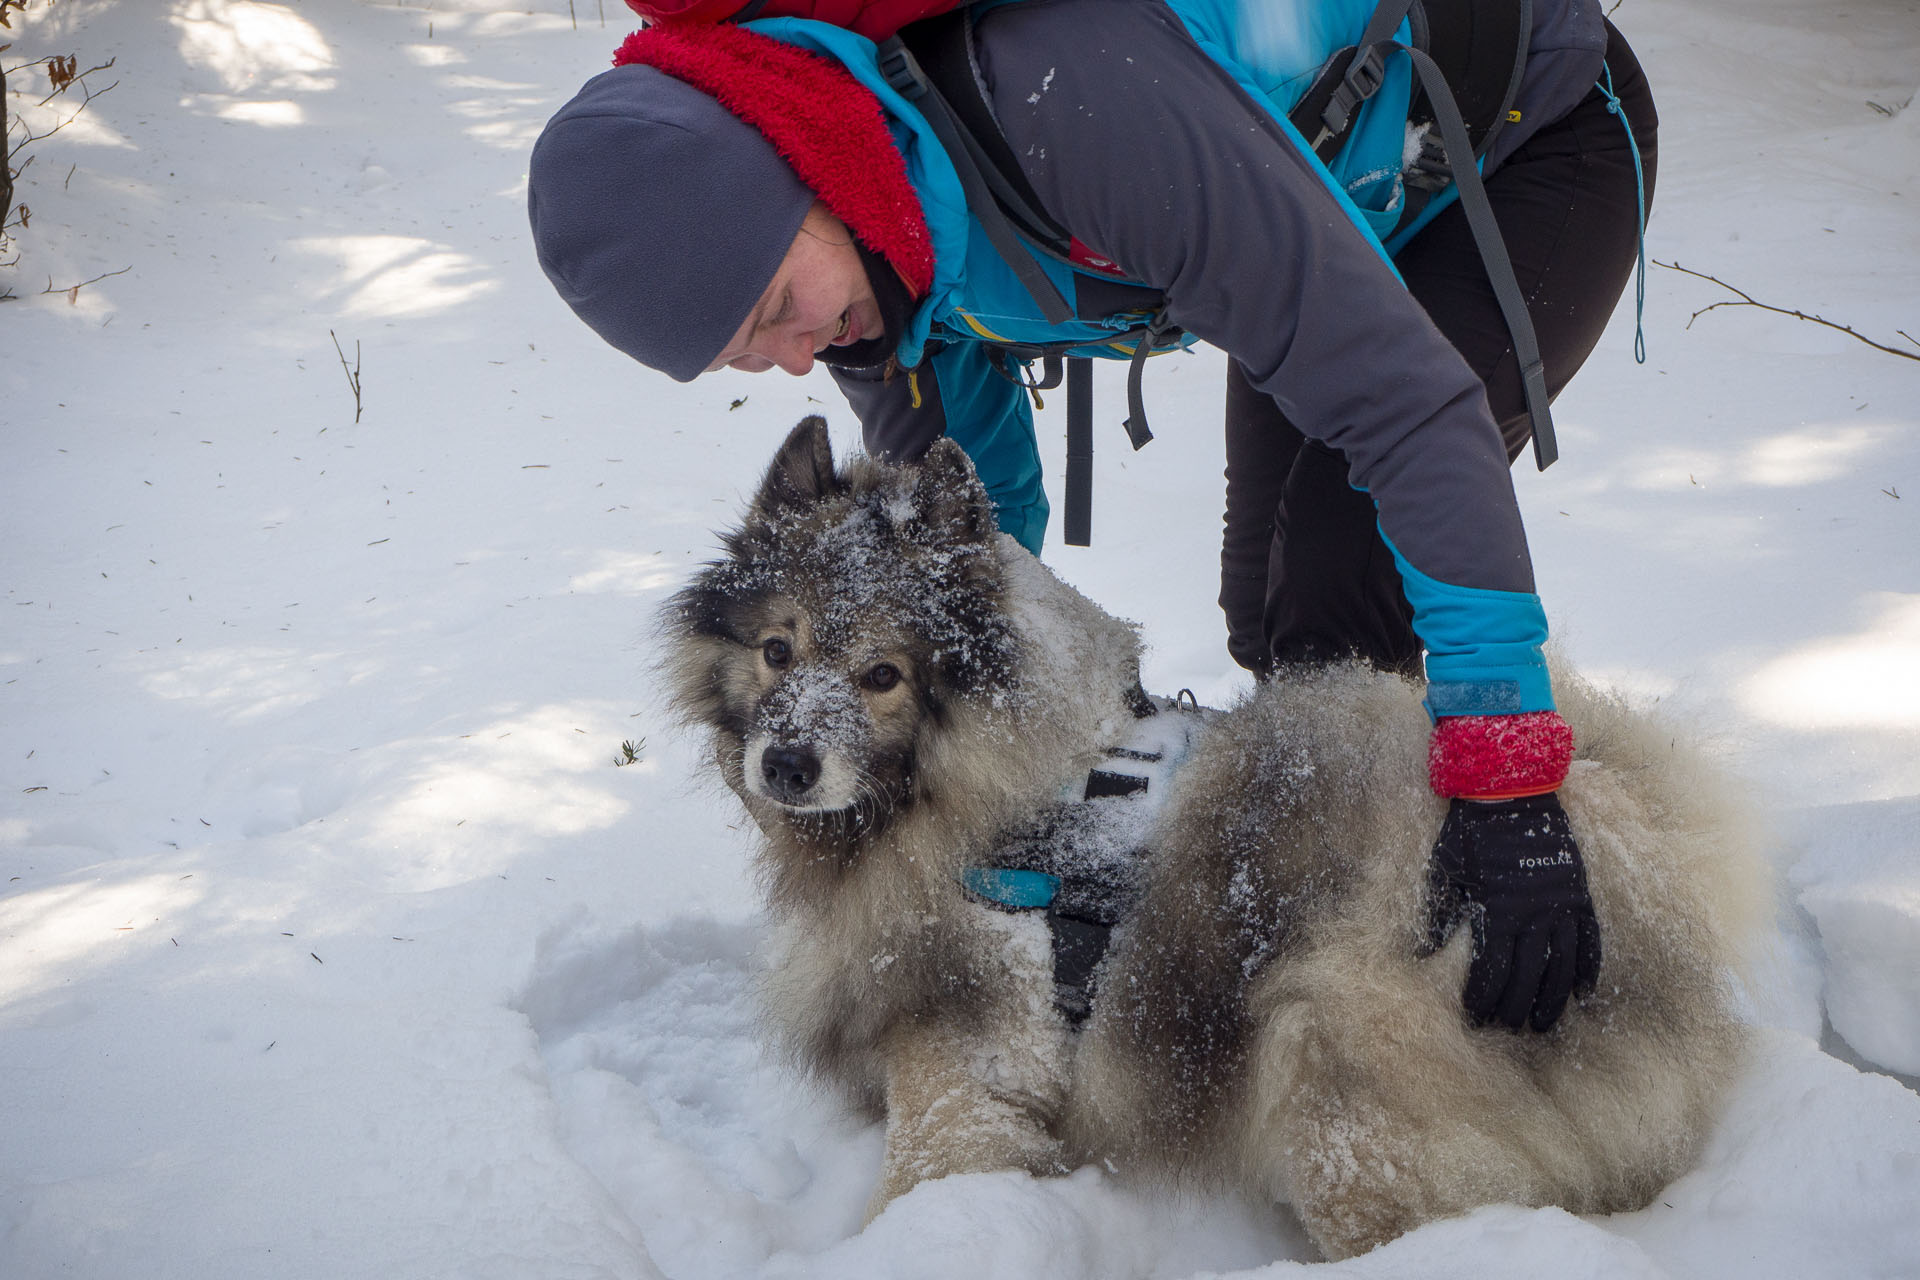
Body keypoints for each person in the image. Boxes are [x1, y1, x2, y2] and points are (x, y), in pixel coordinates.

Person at [526, 0, 1657, 1035]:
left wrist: (1507, 772)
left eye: (776, 308)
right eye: (746, 354)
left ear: (804, 170)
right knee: (1271, 618)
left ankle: (1441, 966)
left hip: (1515, 142)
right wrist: (1001, 784)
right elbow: (971, 556)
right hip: (1324, 183)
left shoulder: (1074, 104)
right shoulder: (873, 281)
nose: (792, 354)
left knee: (1338, 591)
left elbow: (1410, 410)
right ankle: (1302, 921)